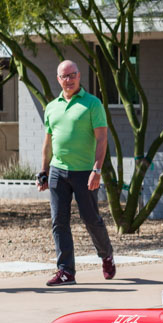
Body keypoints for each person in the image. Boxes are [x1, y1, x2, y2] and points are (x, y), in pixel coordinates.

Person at [37, 60, 116, 286]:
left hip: (85, 172)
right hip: (57, 171)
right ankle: (66, 271)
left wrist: (97, 170)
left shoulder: (93, 104)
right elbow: (48, 142)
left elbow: (102, 139)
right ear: (58, 79)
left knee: (91, 219)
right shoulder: (52, 107)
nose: (69, 80)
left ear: (79, 76)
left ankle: (106, 255)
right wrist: (43, 171)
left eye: (73, 75)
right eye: (64, 76)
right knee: (58, 221)